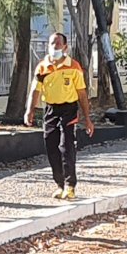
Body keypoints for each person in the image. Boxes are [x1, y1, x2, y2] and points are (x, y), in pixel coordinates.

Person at [24, 32, 95, 200]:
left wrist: (87, 118)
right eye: (51, 44)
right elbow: (35, 90)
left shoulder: (74, 67)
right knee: (51, 145)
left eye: (57, 44)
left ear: (65, 47)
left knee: (66, 146)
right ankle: (60, 183)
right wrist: (30, 110)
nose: (53, 47)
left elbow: (82, 94)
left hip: (68, 109)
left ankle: (70, 185)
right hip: (50, 110)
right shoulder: (42, 67)